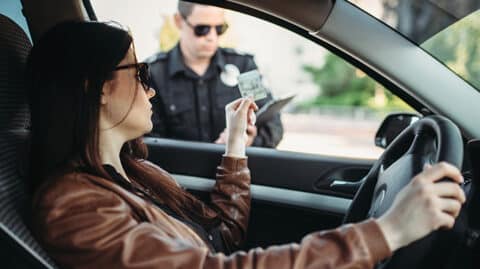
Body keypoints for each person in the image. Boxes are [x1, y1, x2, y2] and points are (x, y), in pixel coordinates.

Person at [27, 20, 466, 269]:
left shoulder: (137, 173)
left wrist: (236, 142)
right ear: (96, 87)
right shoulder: (74, 206)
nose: (151, 90)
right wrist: (386, 231)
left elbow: (220, 238)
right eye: (138, 75)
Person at [146, 1, 283, 148]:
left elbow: (273, 125)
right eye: (202, 29)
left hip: (236, 167)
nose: (212, 37)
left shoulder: (243, 67)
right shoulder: (154, 73)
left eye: (219, 28)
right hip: (179, 170)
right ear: (179, 21)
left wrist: (248, 142)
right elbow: (149, 140)